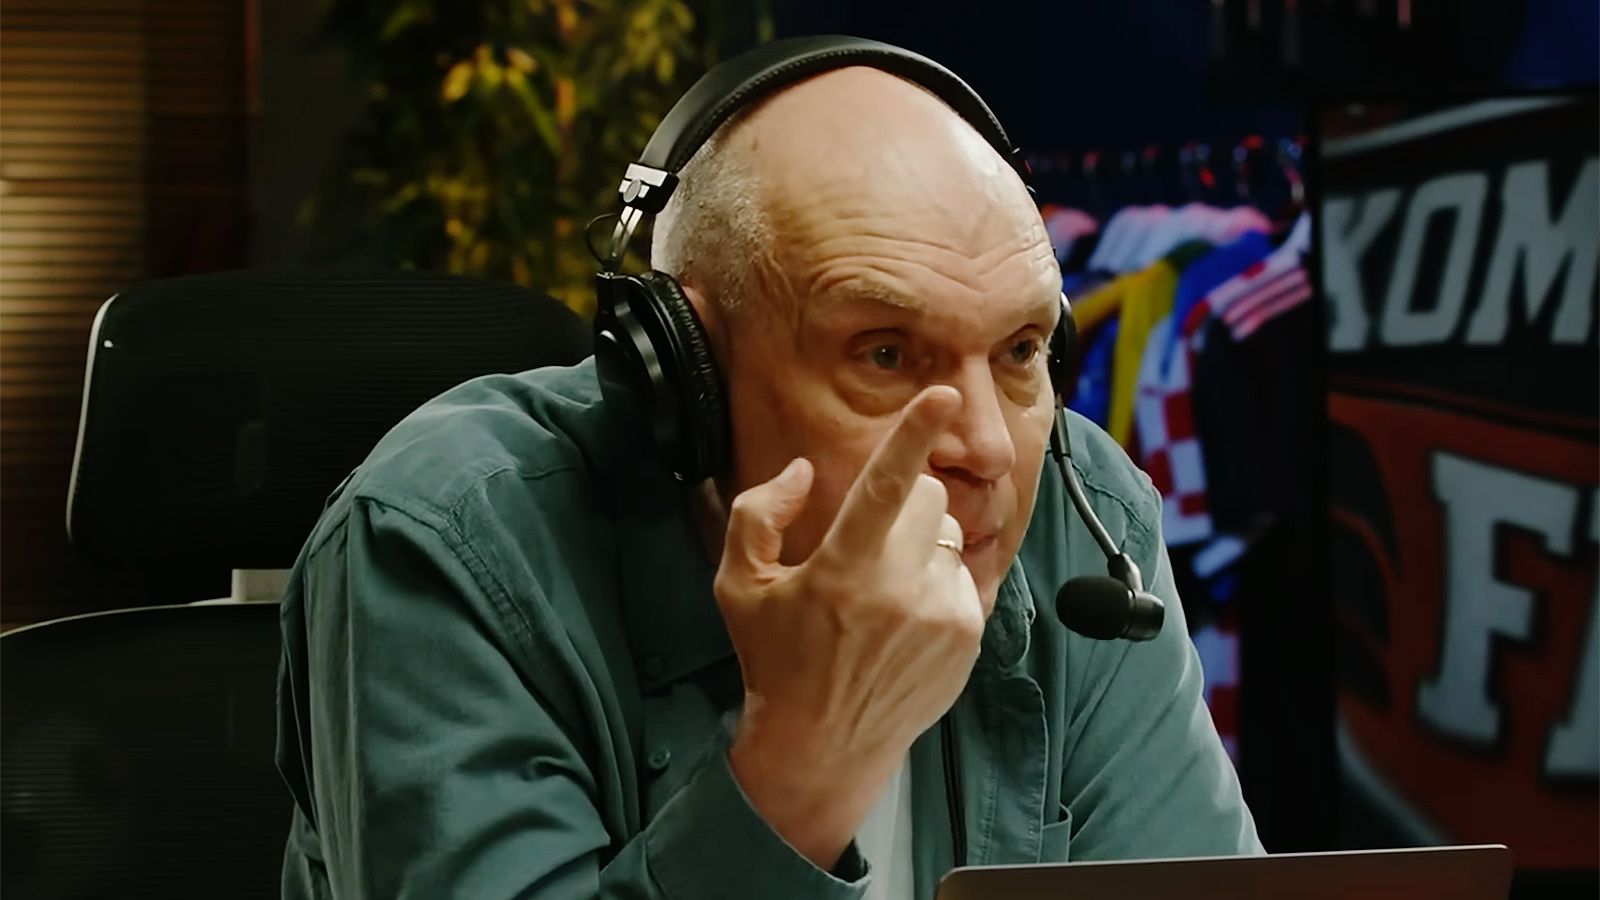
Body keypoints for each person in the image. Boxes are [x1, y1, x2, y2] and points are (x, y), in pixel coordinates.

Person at [275, 37, 1261, 900]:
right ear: (682, 380)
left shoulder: (1083, 516)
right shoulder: (443, 541)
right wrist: (804, 763)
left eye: (1019, 352)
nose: (990, 448)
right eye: (885, 354)